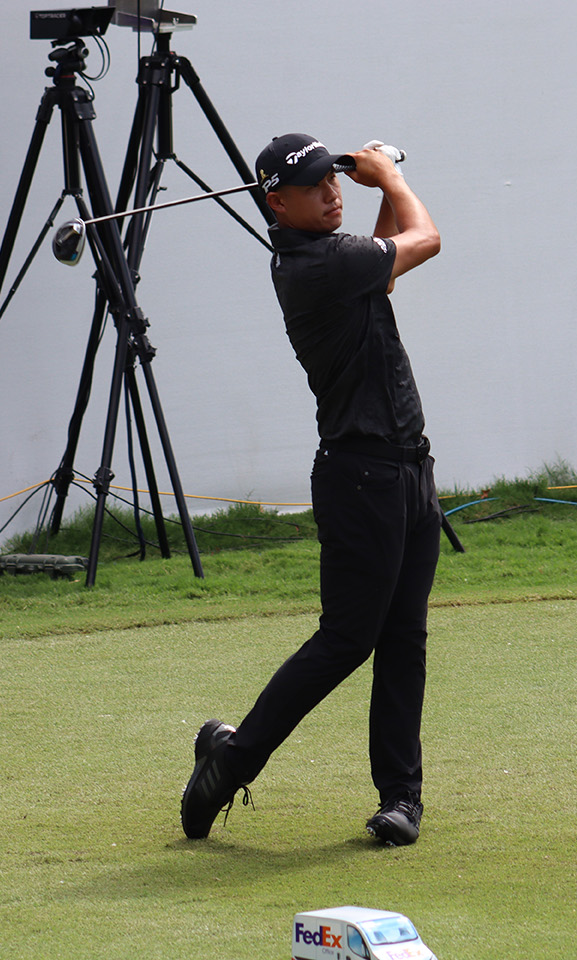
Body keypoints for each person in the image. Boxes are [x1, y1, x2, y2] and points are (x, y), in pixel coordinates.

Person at [180, 134, 442, 846]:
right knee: (347, 640)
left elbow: (384, 273)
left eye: (336, 179)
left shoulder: (336, 258)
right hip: (362, 478)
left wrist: (376, 190)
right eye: (315, 186)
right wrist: (389, 177)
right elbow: (425, 240)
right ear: (278, 203)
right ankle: (231, 762)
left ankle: (401, 798)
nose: (332, 192)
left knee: (403, 638)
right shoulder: (316, 263)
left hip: (408, 470)